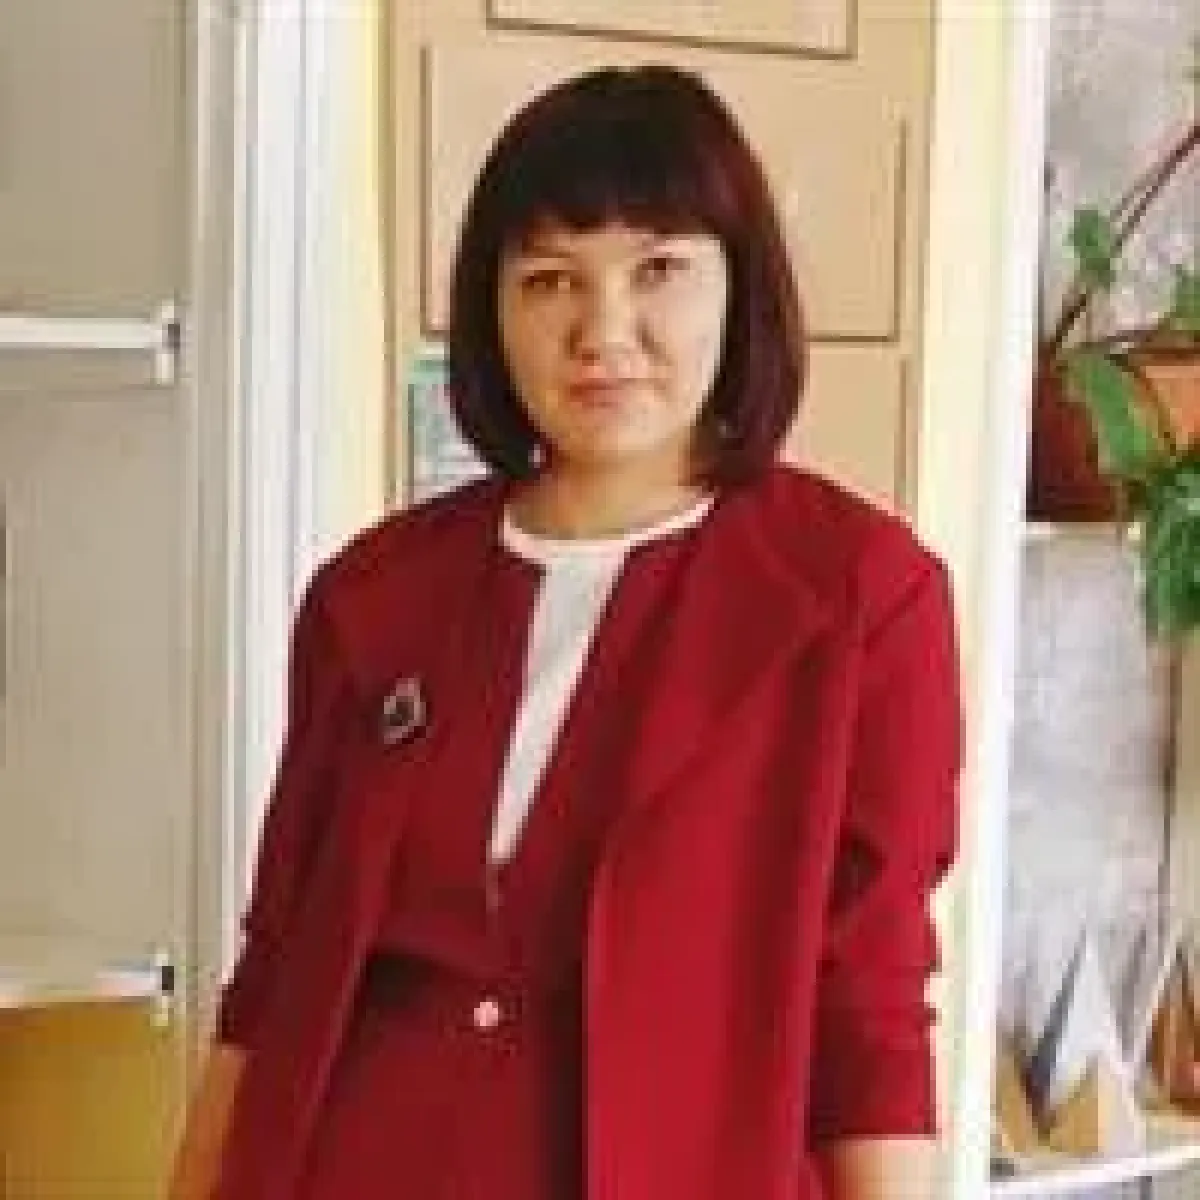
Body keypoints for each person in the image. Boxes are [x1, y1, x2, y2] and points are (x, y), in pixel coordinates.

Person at [169, 63, 962, 1200]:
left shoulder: (860, 600)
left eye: (659, 270)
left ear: (740, 289)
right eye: (550, 280)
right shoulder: (375, 594)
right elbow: (275, 975)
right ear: (493, 311)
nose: (604, 330)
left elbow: (870, 1008)